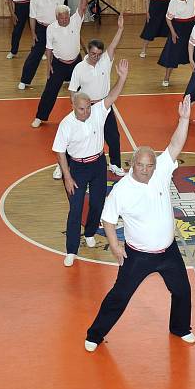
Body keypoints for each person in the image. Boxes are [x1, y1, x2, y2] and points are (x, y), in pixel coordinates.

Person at [84, 95, 195, 352]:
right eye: (141, 165)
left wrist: (184, 119)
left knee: (182, 290)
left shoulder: (161, 173)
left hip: (168, 252)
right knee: (119, 297)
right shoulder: (122, 190)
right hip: (138, 256)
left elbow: (175, 143)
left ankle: (180, 328)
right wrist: (114, 245)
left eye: (150, 165)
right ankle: (94, 335)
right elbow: (108, 218)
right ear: (132, 163)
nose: (145, 169)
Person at [52, 59, 130, 267]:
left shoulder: (97, 112)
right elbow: (59, 151)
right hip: (77, 167)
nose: (85, 112)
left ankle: (90, 233)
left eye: (87, 108)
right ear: (73, 107)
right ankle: (71, 250)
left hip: (97, 165)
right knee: (75, 209)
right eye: (81, 109)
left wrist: (122, 77)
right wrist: (67, 176)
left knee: (98, 203)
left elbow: (112, 96)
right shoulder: (66, 125)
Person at [63, 12, 126, 178]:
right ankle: (63, 164)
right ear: (88, 52)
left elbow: (113, 45)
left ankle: (115, 164)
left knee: (113, 136)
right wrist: (77, 108)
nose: (96, 57)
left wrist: (120, 28)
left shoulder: (105, 60)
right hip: (87, 107)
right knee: (78, 137)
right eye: (93, 54)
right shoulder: (79, 68)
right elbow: (72, 90)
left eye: (99, 54)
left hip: (104, 105)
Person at [19, 0, 86, 90]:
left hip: (59, 27)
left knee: (67, 51)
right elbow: (32, 17)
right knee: (35, 54)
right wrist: (33, 34)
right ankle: (25, 80)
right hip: (41, 28)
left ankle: (68, 78)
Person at [31, 0, 89, 128]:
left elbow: (82, 6)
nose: (65, 19)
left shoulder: (75, 21)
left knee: (85, 90)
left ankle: (89, 113)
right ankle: (40, 116)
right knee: (50, 91)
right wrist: (48, 65)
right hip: (58, 64)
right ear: (57, 17)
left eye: (66, 17)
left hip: (76, 63)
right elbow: (49, 48)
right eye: (62, 18)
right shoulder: (51, 28)